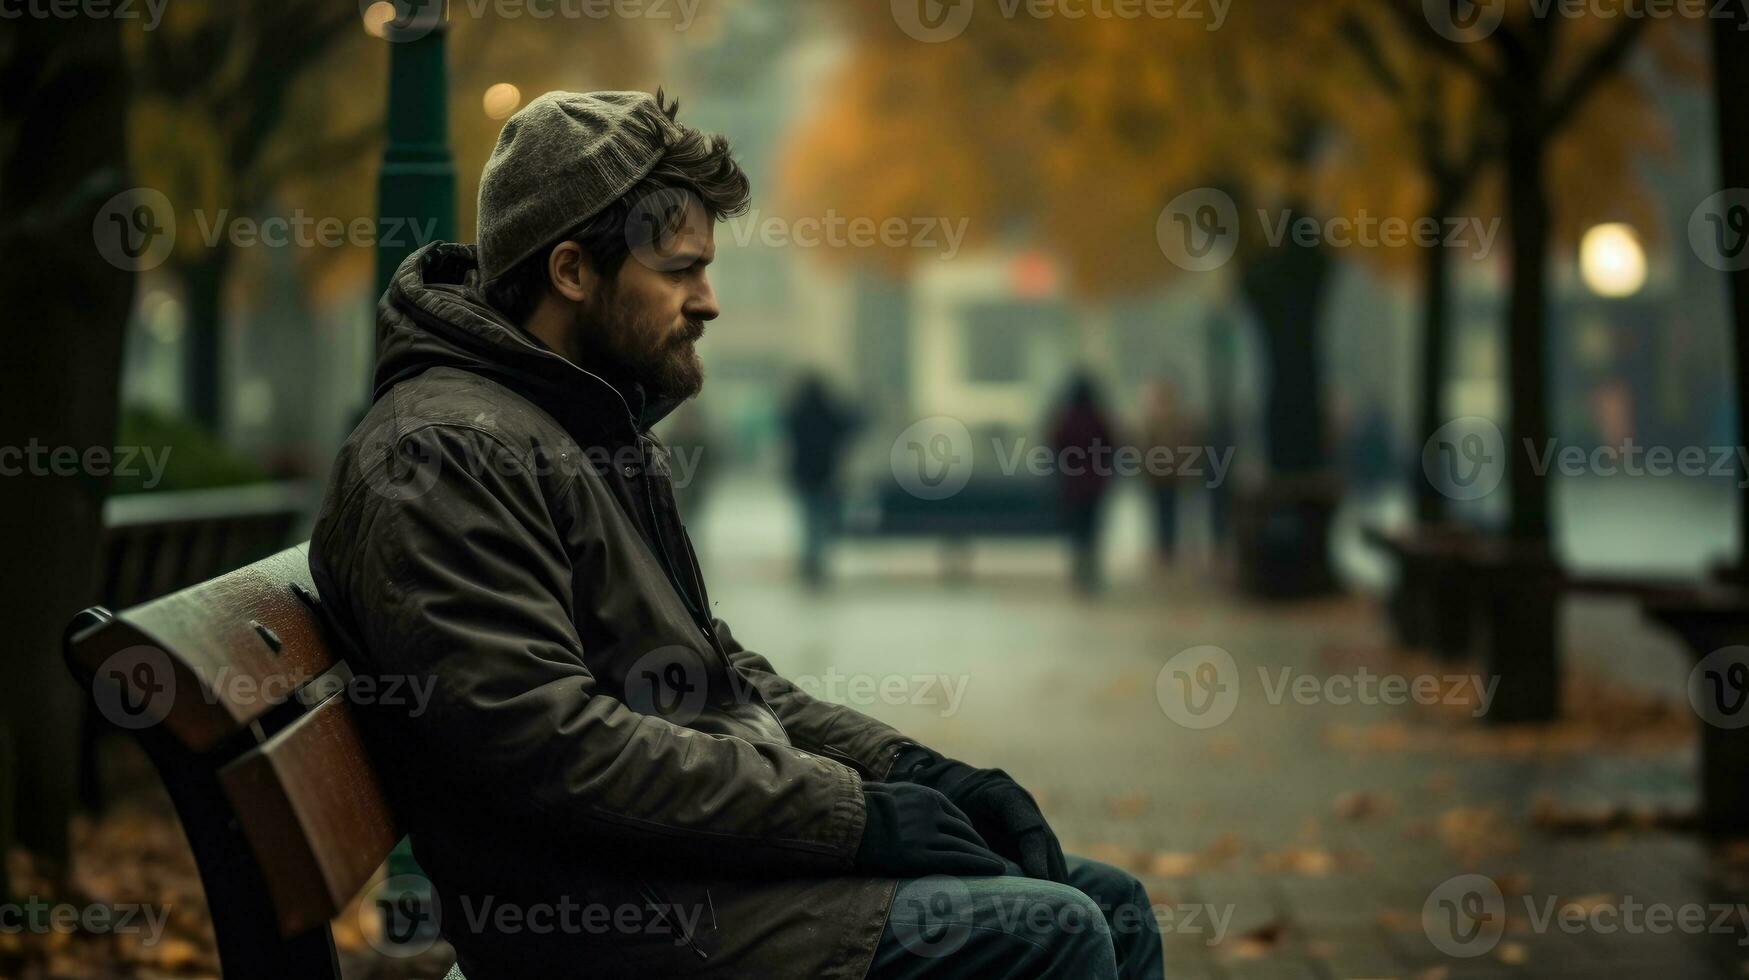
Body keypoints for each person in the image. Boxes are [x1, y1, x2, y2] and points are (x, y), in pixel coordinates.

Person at [307, 91, 1163, 979]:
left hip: (684, 878)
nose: (708, 302)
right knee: (1053, 933)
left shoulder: (574, 428)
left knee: (1107, 904)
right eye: (679, 270)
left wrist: (918, 773)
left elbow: (719, 675)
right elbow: (546, 747)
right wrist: (854, 818)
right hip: (606, 920)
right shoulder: (449, 454)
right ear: (571, 271)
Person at [782, 372, 861, 587]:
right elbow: (850, 427)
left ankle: (811, 559)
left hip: (804, 475)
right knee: (821, 518)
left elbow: (784, 426)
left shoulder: (798, 413)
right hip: (826, 475)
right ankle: (818, 559)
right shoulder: (829, 412)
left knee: (809, 519)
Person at [1048, 372, 1120, 594]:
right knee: (1093, 529)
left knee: (1077, 529)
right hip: (1096, 483)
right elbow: (1113, 445)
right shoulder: (1099, 418)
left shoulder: (1066, 418)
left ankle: (1079, 570)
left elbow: (1055, 443)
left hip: (1072, 484)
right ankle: (1092, 571)